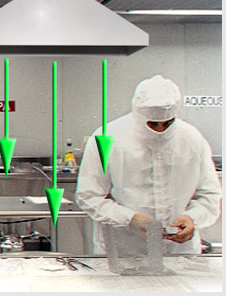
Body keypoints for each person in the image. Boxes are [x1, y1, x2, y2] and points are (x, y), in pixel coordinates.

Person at [75, 75, 221, 255]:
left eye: (167, 123)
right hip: (125, 250)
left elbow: (210, 195)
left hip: (179, 253)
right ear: (139, 115)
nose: (160, 130)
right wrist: (131, 219)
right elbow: (89, 196)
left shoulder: (192, 139)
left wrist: (192, 218)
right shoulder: (107, 139)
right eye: (153, 124)